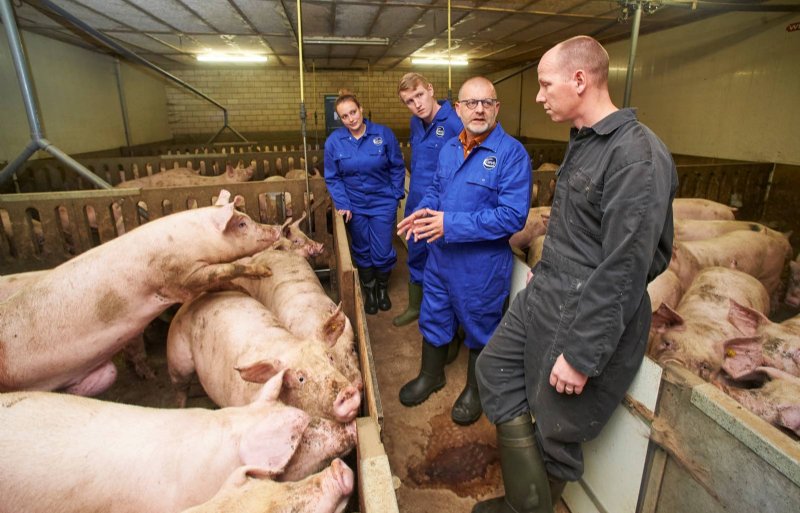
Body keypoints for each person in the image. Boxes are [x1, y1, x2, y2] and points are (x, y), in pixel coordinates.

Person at [473, 36, 678, 513]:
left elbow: (627, 267)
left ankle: (527, 506)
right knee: (494, 367)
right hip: (548, 290)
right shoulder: (586, 142)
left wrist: (583, 354)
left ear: (580, 80)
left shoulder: (637, 156)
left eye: (545, 85)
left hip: (585, 309)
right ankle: (527, 498)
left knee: (555, 428)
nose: (539, 96)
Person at [397, 76, 531, 426]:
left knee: (480, 325)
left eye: (486, 102)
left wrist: (450, 224)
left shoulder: (511, 154)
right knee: (434, 314)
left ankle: (476, 390)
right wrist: (422, 212)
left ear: (497, 108)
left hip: (480, 266)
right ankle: (432, 375)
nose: (479, 109)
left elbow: (512, 216)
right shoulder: (450, 148)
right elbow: (435, 191)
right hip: (440, 258)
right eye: (471, 103)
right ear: (457, 108)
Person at [324, 90, 405, 315]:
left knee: (383, 250)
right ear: (340, 119)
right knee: (361, 248)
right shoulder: (334, 142)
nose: (351, 119)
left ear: (361, 109)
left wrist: (396, 193)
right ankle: (369, 292)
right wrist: (343, 203)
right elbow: (333, 177)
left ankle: (382, 289)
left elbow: (397, 166)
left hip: (382, 202)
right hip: (354, 205)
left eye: (353, 112)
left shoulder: (383, 134)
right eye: (345, 116)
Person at [393, 73, 463, 328]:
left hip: (441, 209)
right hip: (416, 202)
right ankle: (415, 306)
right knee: (415, 253)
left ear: (431, 90)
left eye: (419, 95)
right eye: (410, 101)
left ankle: (446, 324)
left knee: (441, 264)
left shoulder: (455, 123)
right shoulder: (415, 123)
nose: (417, 104)